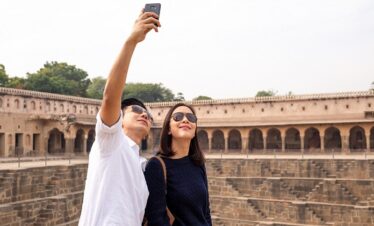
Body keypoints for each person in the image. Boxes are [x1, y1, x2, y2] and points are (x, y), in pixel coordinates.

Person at [78, 9, 161, 226]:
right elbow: (109, 97)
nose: (144, 114)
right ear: (120, 119)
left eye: (148, 115)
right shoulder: (111, 143)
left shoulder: (142, 165)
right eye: (136, 110)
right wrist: (131, 41)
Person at [144, 103, 212, 226]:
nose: (185, 120)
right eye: (178, 116)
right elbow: (157, 220)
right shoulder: (156, 166)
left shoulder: (198, 164)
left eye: (191, 118)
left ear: (195, 130)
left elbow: (205, 212)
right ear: (168, 129)